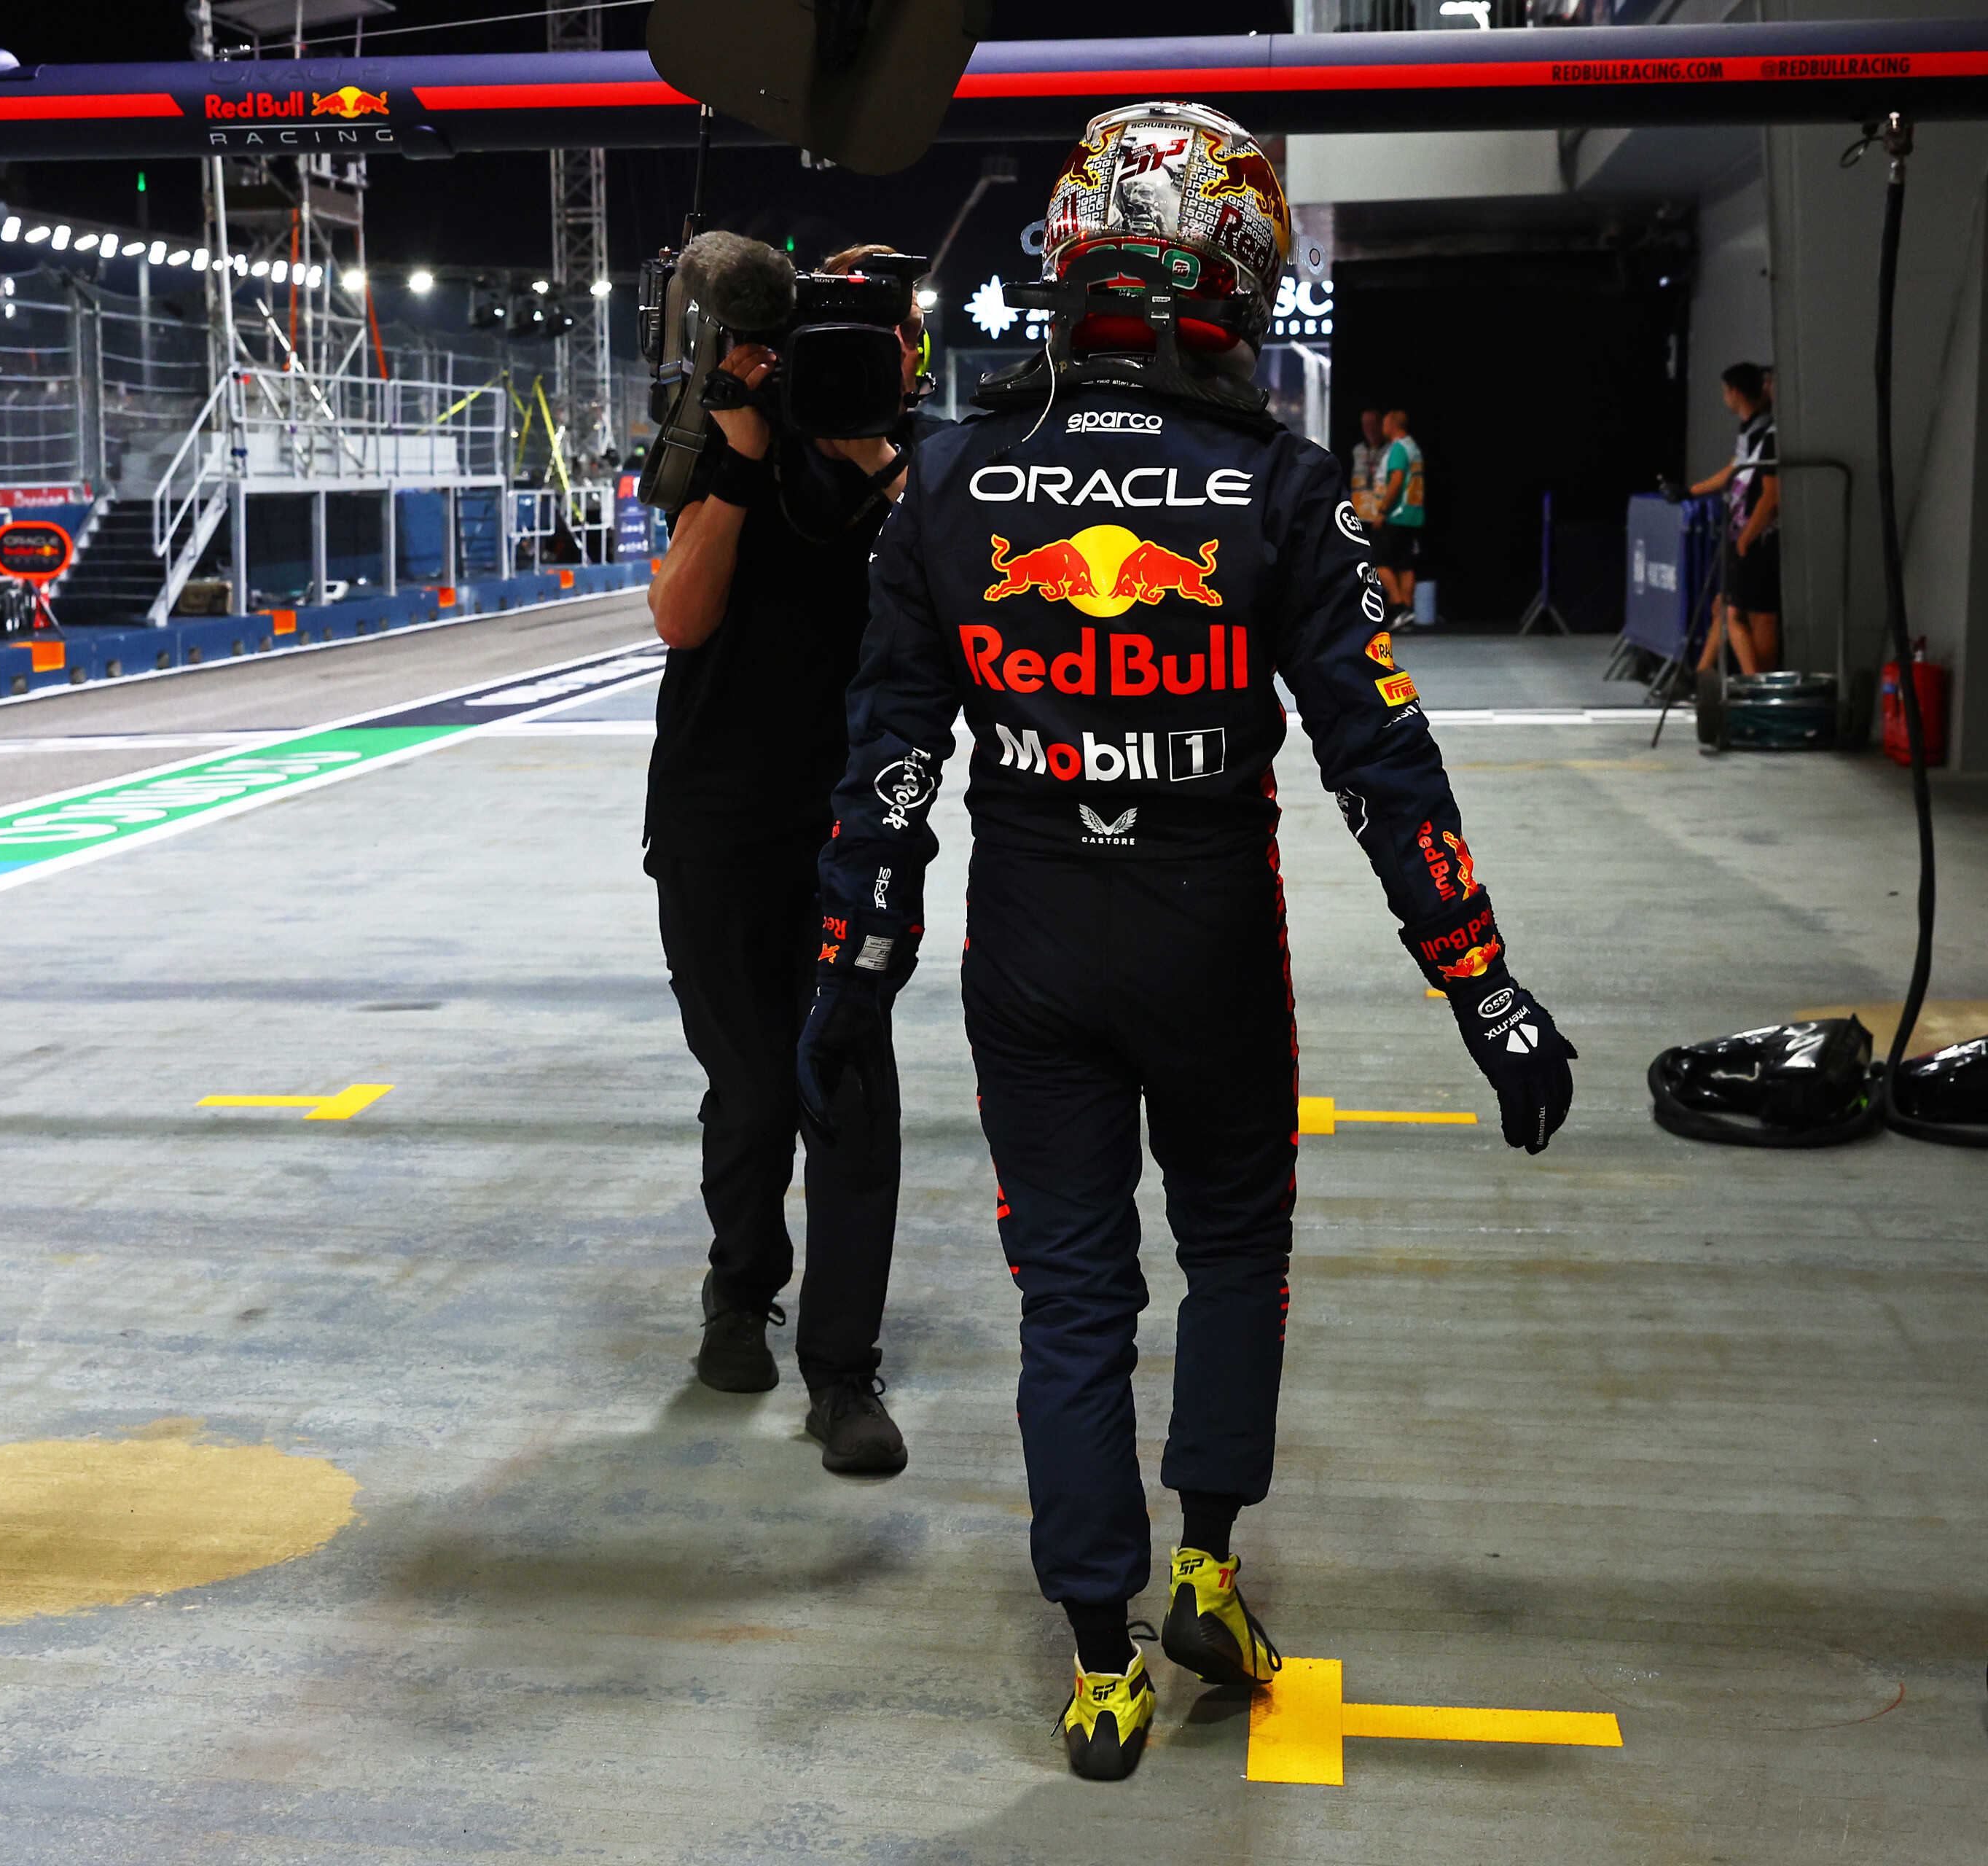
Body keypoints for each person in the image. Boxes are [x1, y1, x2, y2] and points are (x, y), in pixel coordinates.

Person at [792, 101, 1577, 1781]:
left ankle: (1098, 1665)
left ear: (1070, 266)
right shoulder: (1286, 489)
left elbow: (887, 756)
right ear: (1226, 279)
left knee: (1069, 1302)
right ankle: (1208, 1571)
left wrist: (849, 966)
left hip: (1028, 938)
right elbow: (1381, 757)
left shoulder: (944, 477)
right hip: (1210, 931)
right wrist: (1483, 985)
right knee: (1231, 1259)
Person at [644, 240, 931, 1477]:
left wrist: (873, 454)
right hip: (714, 819)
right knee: (755, 1087)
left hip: (856, 824)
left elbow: (973, 597)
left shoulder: (924, 464)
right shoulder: (727, 442)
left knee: (850, 1092)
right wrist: (746, 449)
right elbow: (681, 616)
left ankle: (844, 1371)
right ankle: (736, 1295)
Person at [1689, 361, 1780, 675]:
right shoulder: (1752, 433)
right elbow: (1736, 468)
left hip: (1756, 538)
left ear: (1736, 392)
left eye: (1772, 383)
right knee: (1725, 610)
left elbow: (1771, 497)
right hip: (1742, 534)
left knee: (1745, 616)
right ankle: (1704, 676)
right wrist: (1692, 491)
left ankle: (1756, 686)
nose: (1767, 389)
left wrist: (1745, 538)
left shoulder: (1771, 435)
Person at [1373, 407, 1426, 617]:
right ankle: (1408, 611)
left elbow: (1396, 481)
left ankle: (1397, 605)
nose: (1383, 428)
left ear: (1394, 425)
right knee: (1405, 565)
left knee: (1377, 561)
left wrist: (1383, 511)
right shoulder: (1414, 447)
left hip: (1396, 515)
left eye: (1385, 423)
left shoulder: (1398, 449)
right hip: (1413, 516)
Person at [1348, 407, 1385, 526]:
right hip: (1358, 516)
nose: (1370, 428)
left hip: (1381, 517)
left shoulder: (1391, 450)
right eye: (1366, 424)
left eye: (1373, 424)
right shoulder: (1357, 450)